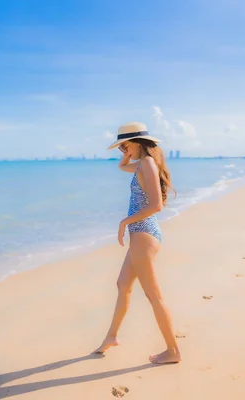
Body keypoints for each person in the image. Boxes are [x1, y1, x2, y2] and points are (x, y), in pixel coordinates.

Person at [94, 121, 181, 365]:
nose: (123, 151)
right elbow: (123, 167)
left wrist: (124, 222)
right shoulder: (141, 164)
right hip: (140, 235)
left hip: (144, 233)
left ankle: (173, 350)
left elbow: (156, 205)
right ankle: (111, 336)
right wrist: (126, 155)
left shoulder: (148, 164)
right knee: (123, 284)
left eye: (125, 145)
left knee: (154, 296)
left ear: (137, 142)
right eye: (121, 147)